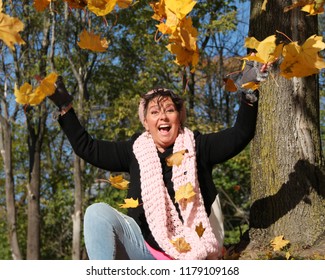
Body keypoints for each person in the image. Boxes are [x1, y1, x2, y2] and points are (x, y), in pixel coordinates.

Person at [48, 61, 270, 260]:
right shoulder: (134, 150)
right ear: (146, 122)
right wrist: (65, 108)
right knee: (96, 213)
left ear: (179, 118)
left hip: (193, 249)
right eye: (155, 112)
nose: (163, 117)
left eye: (170, 110)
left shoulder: (198, 147)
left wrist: (249, 92)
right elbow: (87, 148)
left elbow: (241, 133)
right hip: (143, 249)